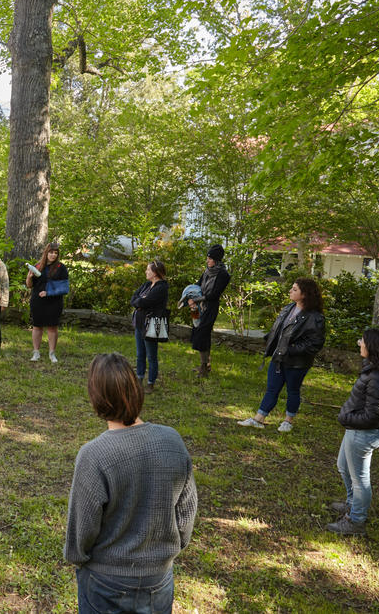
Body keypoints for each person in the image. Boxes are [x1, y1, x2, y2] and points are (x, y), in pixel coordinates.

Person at [64, 353, 197, 614]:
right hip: (159, 580)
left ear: (96, 397)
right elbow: (186, 513)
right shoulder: (172, 441)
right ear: (135, 389)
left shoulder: (94, 455)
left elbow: (82, 528)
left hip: (105, 583)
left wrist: (77, 558)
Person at [325, 328, 379, 536]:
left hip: (363, 433)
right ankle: (352, 504)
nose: (359, 343)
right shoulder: (373, 370)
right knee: (343, 467)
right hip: (359, 430)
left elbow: (371, 416)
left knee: (360, 480)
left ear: (373, 347)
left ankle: (355, 521)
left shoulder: (377, 377)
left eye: (363, 341)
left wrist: (345, 418)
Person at [238, 278, 326, 432]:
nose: (290, 292)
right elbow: (279, 329)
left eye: (294, 289)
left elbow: (314, 343)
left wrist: (290, 349)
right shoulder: (288, 308)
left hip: (297, 362)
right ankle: (259, 419)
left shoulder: (315, 317)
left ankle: (288, 421)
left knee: (293, 390)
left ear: (304, 294)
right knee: (272, 388)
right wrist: (270, 339)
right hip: (278, 357)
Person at [188, 245, 231, 377]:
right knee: (199, 332)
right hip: (199, 306)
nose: (207, 261)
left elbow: (214, 295)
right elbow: (197, 285)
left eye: (210, 258)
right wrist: (190, 298)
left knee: (202, 334)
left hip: (210, 308)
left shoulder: (223, 275)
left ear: (216, 260)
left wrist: (197, 299)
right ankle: (206, 365)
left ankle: (204, 367)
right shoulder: (207, 271)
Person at [129, 261, 169, 392]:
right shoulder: (147, 284)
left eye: (148, 270)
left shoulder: (161, 287)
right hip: (140, 323)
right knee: (140, 353)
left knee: (151, 355)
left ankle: (151, 382)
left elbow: (145, 301)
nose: (146, 272)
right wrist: (140, 302)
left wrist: (141, 301)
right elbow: (134, 298)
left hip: (152, 324)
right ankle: (139, 378)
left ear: (155, 273)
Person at [26, 242, 69, 363]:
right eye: (51, 252)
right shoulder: (38, 266)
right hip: (37, 301)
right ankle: (36, 352)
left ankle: (52, 353)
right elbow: (30, 286)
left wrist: (48, 292)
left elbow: (64, 288)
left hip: (54, 302)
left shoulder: (61, 268)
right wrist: (29, 277)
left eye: (56, 253)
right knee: (37, 326)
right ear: (46, 253)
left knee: (52, 327)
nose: (53, 255)